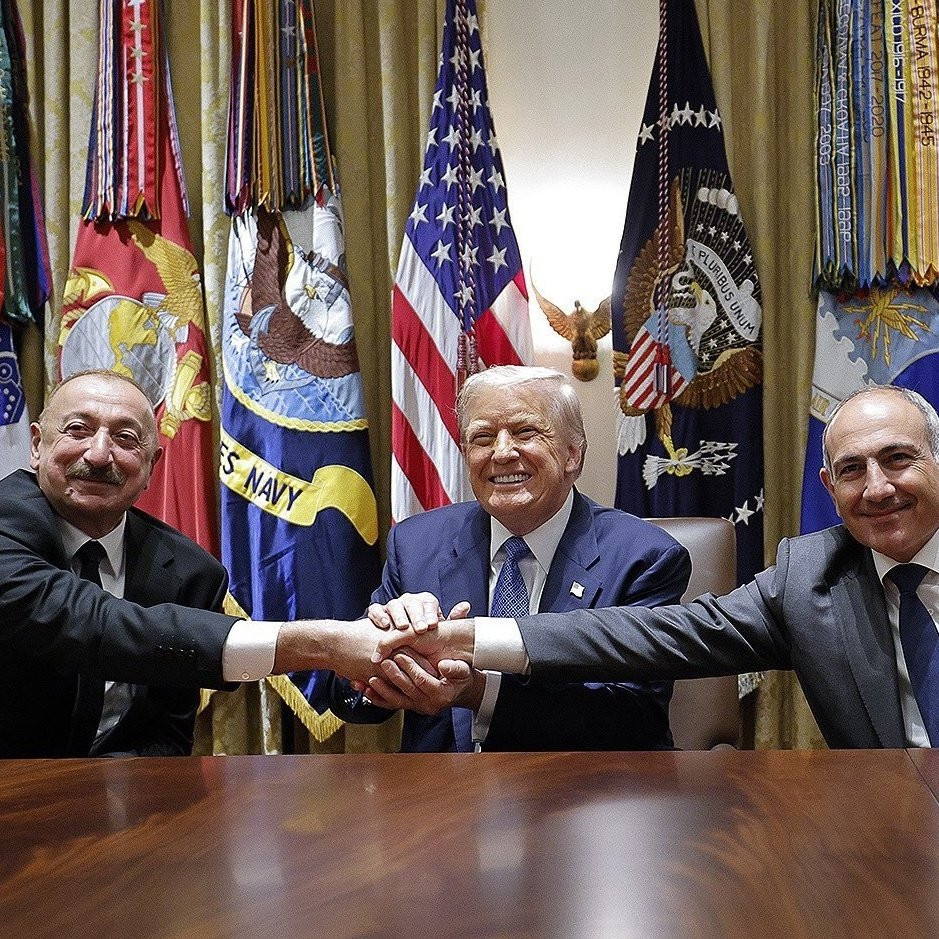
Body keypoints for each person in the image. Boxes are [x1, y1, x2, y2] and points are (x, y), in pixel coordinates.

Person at [370, 384, 939, 749]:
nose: (877, 489)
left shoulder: (641, 553)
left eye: (898, 460)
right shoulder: (813, 576)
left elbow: (630, 714)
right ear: (829, 488)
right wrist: (464, 638)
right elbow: (656, 635)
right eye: (852, 470)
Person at [0, 370, 384, 756]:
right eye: (78, 430)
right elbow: (93, 624)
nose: (99, 455)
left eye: (126, 439)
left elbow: (164, 735)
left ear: (151, 466)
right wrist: (324, 645)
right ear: (37, 445)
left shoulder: (191, 573)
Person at [327, 365, 691, 751]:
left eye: (525, 432)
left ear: (572, 454)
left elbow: (636, 719)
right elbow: (352, 702)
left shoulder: (643, 558)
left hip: (579, 782)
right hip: (444, 785)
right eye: (483, 438)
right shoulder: (417, 544)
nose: (501, 453)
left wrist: (480, 693)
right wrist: (386, 656)